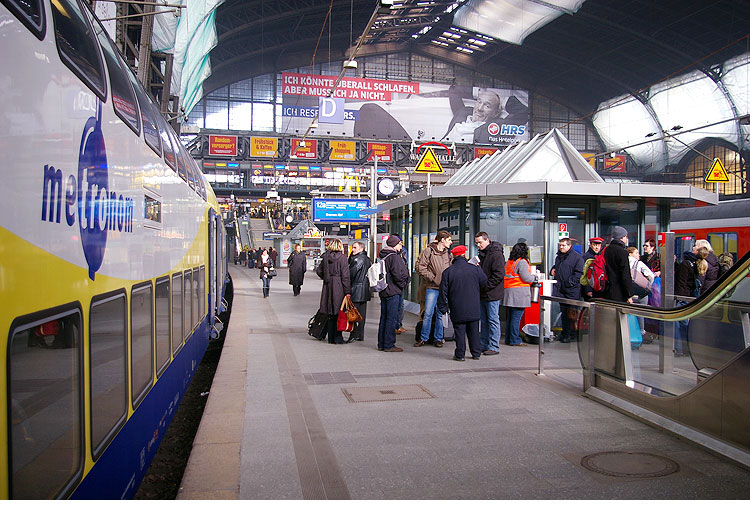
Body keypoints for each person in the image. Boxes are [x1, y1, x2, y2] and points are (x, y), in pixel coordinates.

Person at [438, 245, 488, 361]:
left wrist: (443, 307)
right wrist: (479, 269)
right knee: (474, 331)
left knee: (459, 331)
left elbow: (443, 292)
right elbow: (484, 282)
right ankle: (476, 353)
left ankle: (460, 354)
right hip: (473, 306)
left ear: (453, 257)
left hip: (457, 307)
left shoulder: (448, 272)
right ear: (464, 255)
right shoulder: (475, 269)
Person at [442, 84, 529, 143]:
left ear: (496, 113)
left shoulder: (495, 127)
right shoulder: (463, 112)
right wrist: (479, 93)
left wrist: (501, 100)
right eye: (479, 102)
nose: (480, 109)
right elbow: (454, 90)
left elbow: (523, 112)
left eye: (487, 106)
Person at [415, 231, 452, 348]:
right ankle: (423, 338)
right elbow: (421, 267)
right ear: (442, 240)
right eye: (449, 240)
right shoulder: (429, 251)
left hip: (443, 288)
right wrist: (433, 278)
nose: (451, 242)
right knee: (428, 313)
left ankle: (438, 338)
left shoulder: (448, 254)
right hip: (431, 287)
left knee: (440, 314)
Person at [377, 235, 410, 352]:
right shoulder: (394, 257)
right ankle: (389, 344)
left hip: (384, 290)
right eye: (400, 243)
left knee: (384, 318)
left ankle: (381, 343)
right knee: (391, 318)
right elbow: (397, 274)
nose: (401, 246)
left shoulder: (383, 255)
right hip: (393, 290)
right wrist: (402, 285)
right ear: (395, 244)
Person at [673, 244, 708, 356]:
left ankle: (679, 349)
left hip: (682, 298)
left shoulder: (686, 264)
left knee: (678, 324)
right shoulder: (696, 264)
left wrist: (677, 298)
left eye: (695, 247)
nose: (693, 246)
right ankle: (688, 348)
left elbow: (681, 283)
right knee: (685, 324)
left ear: (696, 252)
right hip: (689, 297)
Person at [474, 231, 505, 356]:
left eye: (480, 242)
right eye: (477, 243)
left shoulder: (496, 254)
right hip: (483, 291)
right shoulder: (482, 254)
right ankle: (484, 344)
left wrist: (486, 286)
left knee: (492, 319)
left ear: (487, 240)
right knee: (484, 320)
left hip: (492, 292)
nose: (478, 245)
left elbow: (499, 275)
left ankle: (493, 345)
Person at [315, 239, 351, 345]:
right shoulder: (342, 258)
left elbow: (319, 271)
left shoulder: (326, 257)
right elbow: (345, 276)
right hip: (338, 285)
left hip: (328, 285)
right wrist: (347, 291)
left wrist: (326, 277)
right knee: (338, 312)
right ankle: (338, 338)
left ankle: (331, 338)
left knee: (330, 312)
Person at [550, 237, 584, 343]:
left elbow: (579, 273)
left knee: (572, 314)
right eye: (560, 245)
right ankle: (565, 334)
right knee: (564, 313)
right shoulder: (559, 257)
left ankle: (571, 335)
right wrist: (552, 269)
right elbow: (558, 267)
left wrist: (569, 283)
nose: (561, 247)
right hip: (561, 290)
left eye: (563, 245)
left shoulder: (577, 258)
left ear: (569, 246)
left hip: (572, 291)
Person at [503, 242, 537, 346]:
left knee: (511, 317)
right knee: (516, 317)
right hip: (519, 292)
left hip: (509, 291)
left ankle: (509, 338)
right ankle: (515, 340)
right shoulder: (522, 262)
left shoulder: (509, 261)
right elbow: (526, 278)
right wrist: (535, 277)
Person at [627, 246, 655, 341]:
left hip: (628, 293)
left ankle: (629, 334)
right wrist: (647, 284)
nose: (638, 255)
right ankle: (641, 332)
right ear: (630, 254)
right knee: (641, 312)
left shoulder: (623, 262)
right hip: (639, 293)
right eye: (636, 253)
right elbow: (651, 275)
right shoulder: (638, 263)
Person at [348, 241, 372, 343]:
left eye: (354, 248)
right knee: (362, 314)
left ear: (361, 249)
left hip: (356, 289)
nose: (352, 249)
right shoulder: (367, 259)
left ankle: (353, 334)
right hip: (365, 290)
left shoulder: (357, 260)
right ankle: (360, 334)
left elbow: (350, 274)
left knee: (354, 313)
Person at [603, 226, 633, 303]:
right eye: (626, 236)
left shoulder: (606, 250)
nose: (626, 239)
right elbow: (625, 274)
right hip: (619, 292)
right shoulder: (622, 252)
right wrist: (628, 294)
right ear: (622, 237)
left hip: (606, 289)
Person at [395, 244, 409, 335]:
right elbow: (397, 273)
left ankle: (398, 325)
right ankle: (396, 326)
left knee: (400, 306)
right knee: (398, 306)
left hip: (401, 285)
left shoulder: (401, 254)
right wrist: (402, 283)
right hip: (398, 287)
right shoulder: (395, 257)